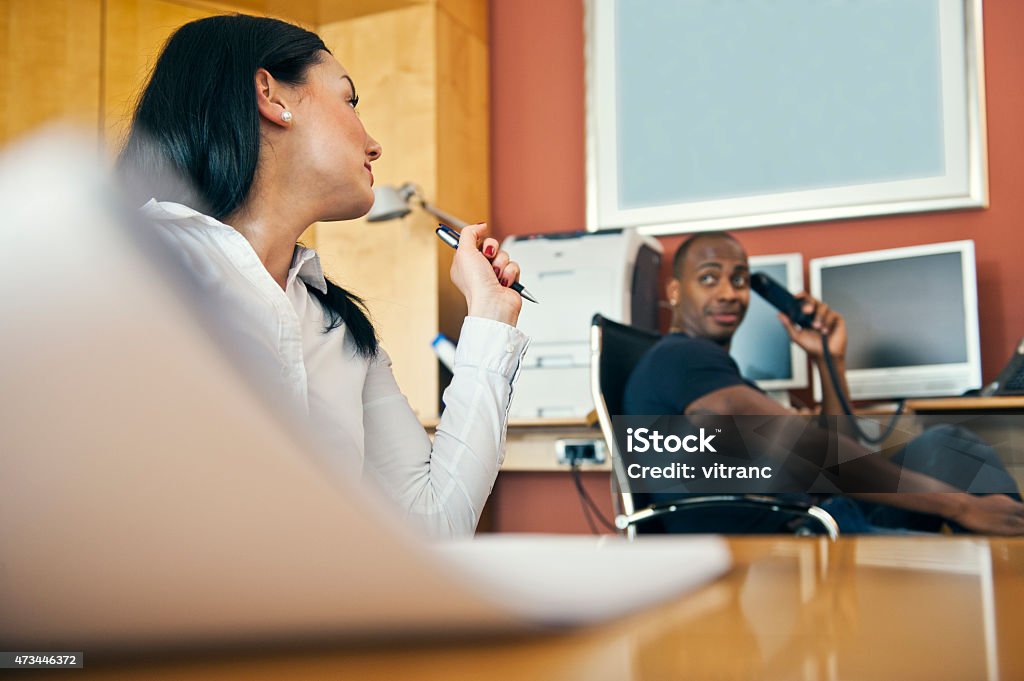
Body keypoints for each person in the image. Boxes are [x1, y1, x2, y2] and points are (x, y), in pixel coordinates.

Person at [116, 15, 529, 538]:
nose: (374, 144)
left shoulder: (339, 327)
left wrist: (490, 319)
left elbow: (435, 525)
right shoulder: (125, 266)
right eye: (350, 100)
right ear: (271, 95)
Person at [624, 231, 1024, 535]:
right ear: (676, 292)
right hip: (794, 535)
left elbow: (832, 448)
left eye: (740, 279)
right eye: (709, 279)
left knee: (943, 443)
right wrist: (958, 507)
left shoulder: (716, 372)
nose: (729, 293)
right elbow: (806, 447)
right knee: (962, 506)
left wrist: (827, 359)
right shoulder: (682, 357)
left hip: (820, 516)